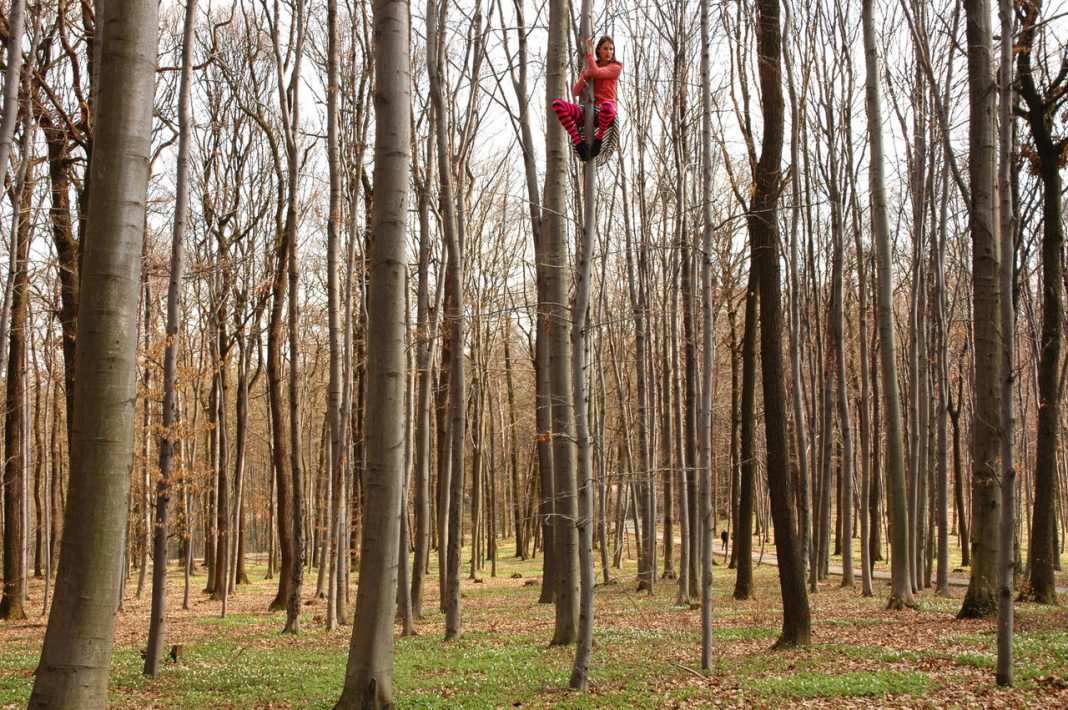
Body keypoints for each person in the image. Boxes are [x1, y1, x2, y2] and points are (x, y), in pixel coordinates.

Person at [552, 35, 621, 161]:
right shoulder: (591, 66)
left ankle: (599, 139)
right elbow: (576, 91)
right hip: (590, 111)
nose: (609, 52)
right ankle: (578, 142)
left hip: (606, 113)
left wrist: (589, 53)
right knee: (558, 104)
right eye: (605, 48)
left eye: (611, 49)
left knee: (607, 106)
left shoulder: (615, 67)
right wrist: (585, 75)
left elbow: (597, 72)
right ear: (599, 50)